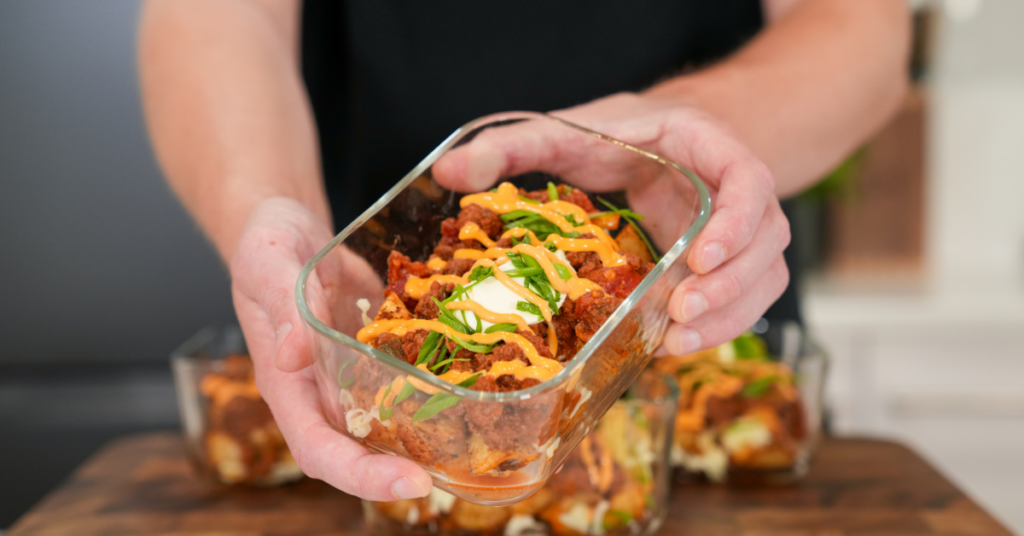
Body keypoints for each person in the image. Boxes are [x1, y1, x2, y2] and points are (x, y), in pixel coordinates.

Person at [139, 0, 909, 501]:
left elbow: (862, 28)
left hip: (696, 333)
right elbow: (210, 20)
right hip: (364, 356)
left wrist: (699, 126)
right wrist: (266, 207)